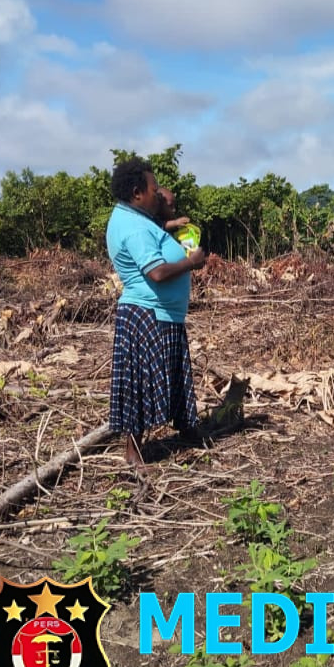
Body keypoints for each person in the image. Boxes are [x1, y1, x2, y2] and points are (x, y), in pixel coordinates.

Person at [105, 157, 206, 467]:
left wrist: (170, 223)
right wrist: (193, 262)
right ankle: (133, 452)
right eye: (153, 188)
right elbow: (158, 273)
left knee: (174, 372)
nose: (158, 193)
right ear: (137, 193)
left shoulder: (133, 218)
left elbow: (152, 233)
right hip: (147, 314)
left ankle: (188, 430)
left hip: (161, 314)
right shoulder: (134, 227)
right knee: (139, 384)